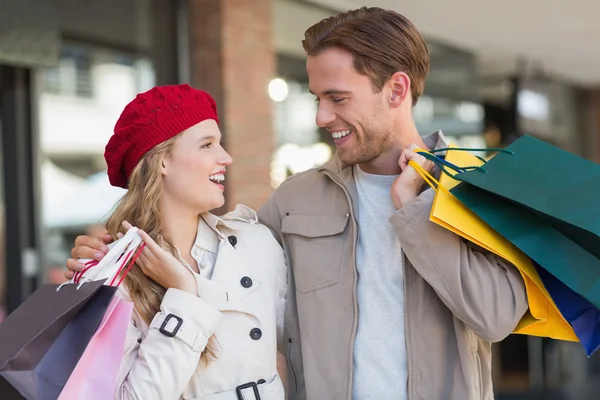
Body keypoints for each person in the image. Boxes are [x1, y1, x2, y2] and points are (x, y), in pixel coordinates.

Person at [66, 7, 528, 400]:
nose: (322, 116)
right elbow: (223, 276)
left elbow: (495, 319)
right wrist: (111, 252)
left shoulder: (473, 190)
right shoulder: (295, 200)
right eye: (317, 98)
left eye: (337, 98)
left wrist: (414, 210)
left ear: (397, 90)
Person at [70, 84, 287, 399]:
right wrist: (184, 297)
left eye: (220, 143)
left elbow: (305, 346)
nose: (225, 157)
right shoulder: (110, 276)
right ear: (161, 161)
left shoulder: (256, 243)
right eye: (206, 145)